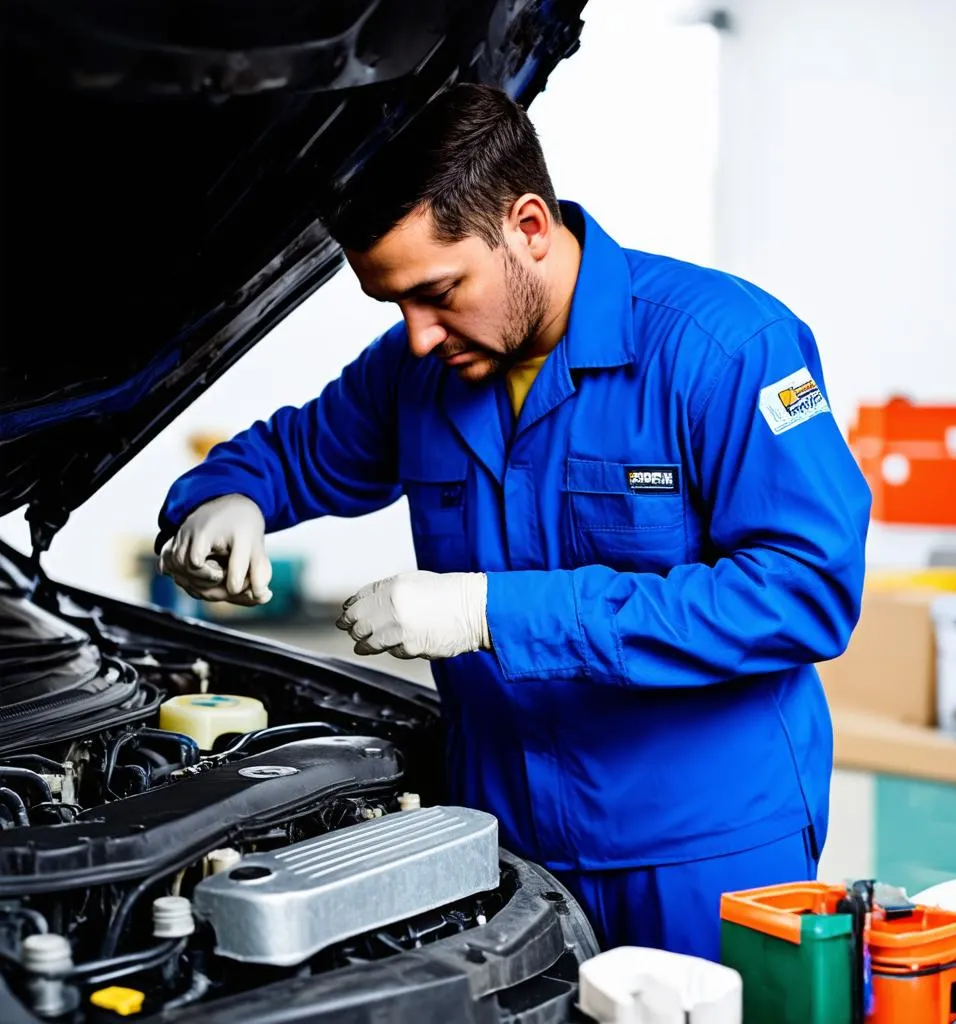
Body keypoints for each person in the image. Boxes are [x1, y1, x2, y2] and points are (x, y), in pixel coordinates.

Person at [156, 83, 872, 960]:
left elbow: (806, 593)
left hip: (704, 848)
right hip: (501, 845)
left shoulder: (726, 348)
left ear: (529, 226)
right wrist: (222, 499)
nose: (418, 335)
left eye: (439, 291)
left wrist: (489, 613)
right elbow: (288, 456)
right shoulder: (419, 368)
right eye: (395, 307)